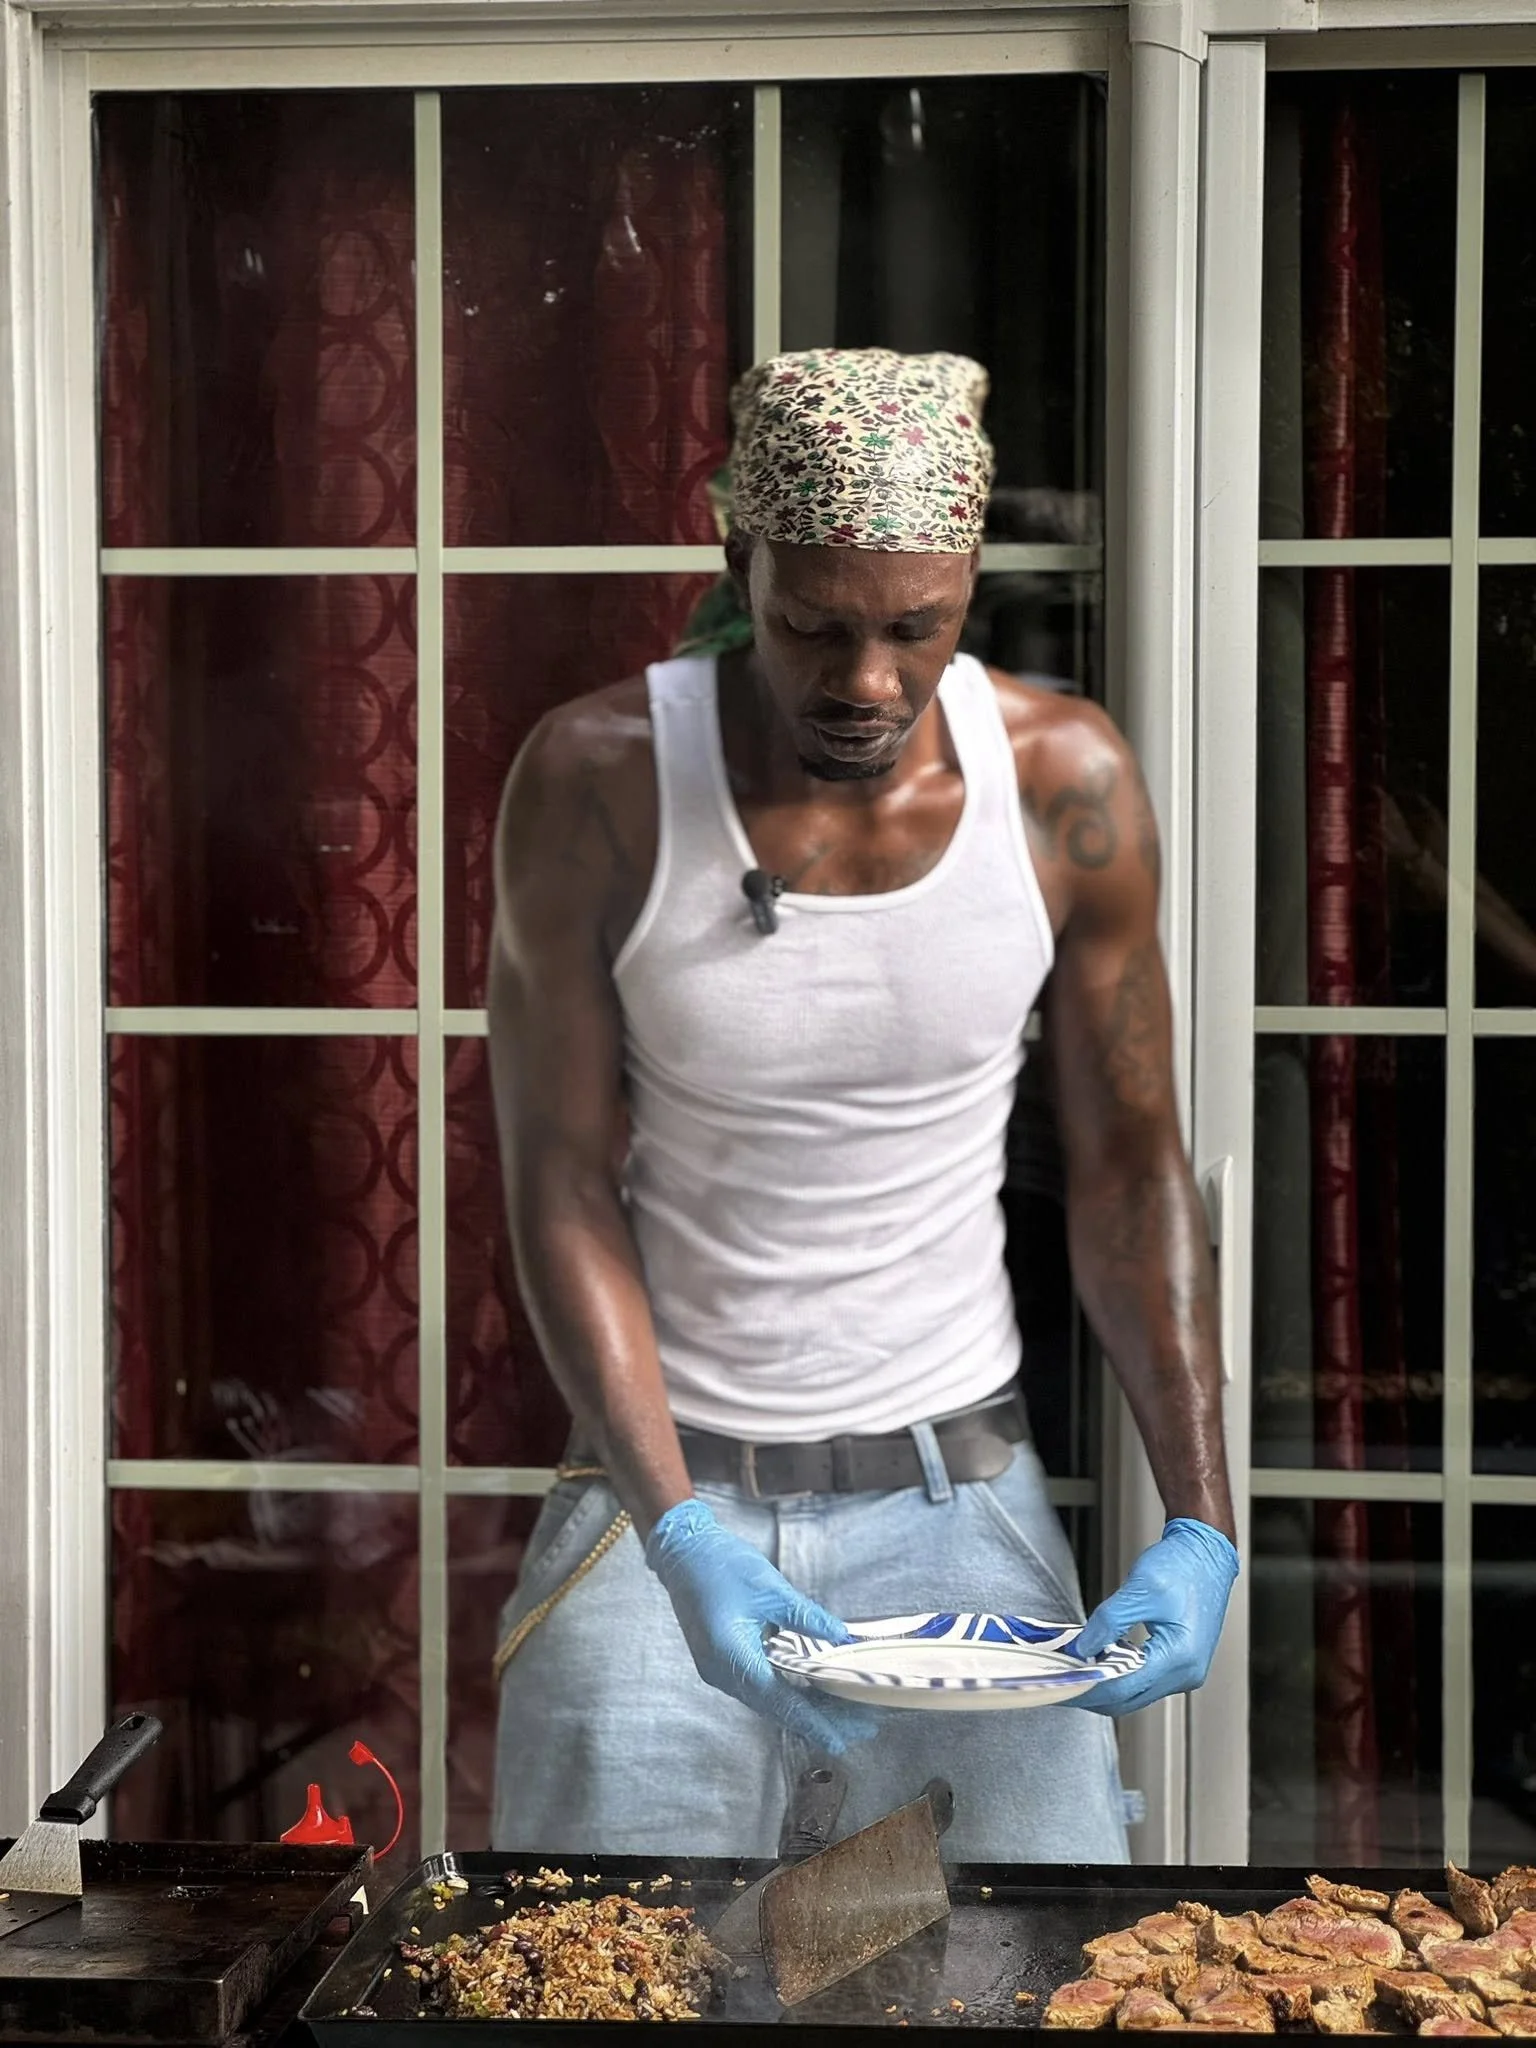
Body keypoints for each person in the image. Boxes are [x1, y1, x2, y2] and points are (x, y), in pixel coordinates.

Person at [486, 348, 1237, 1861]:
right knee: (580, 1980)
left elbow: (1130, 1173)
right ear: (735, 563)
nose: (869, 682)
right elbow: (560, 1180)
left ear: (969, 582)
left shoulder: (1061, 784)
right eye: (817, 627)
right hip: (660, 1502)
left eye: (918, 626)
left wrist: (1204, 1522)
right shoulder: (598, 780)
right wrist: (679, 1531)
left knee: (1027, 1983)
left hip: (954, 1501)